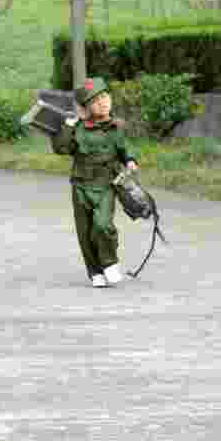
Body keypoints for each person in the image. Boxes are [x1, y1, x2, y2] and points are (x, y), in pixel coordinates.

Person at [51, 77, 138, 287]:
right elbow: (61, 148)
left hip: (106, 184)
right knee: (85, 230)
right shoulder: (77, 128)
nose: (103, 102)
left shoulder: (115, 127)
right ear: (85, 107)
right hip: (81, 185)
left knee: (103, 225)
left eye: (105, 97)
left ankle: (109, 262)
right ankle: (94, 271)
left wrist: (131, 160)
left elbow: (124, 148)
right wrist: (69, 125)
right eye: (96, 100)